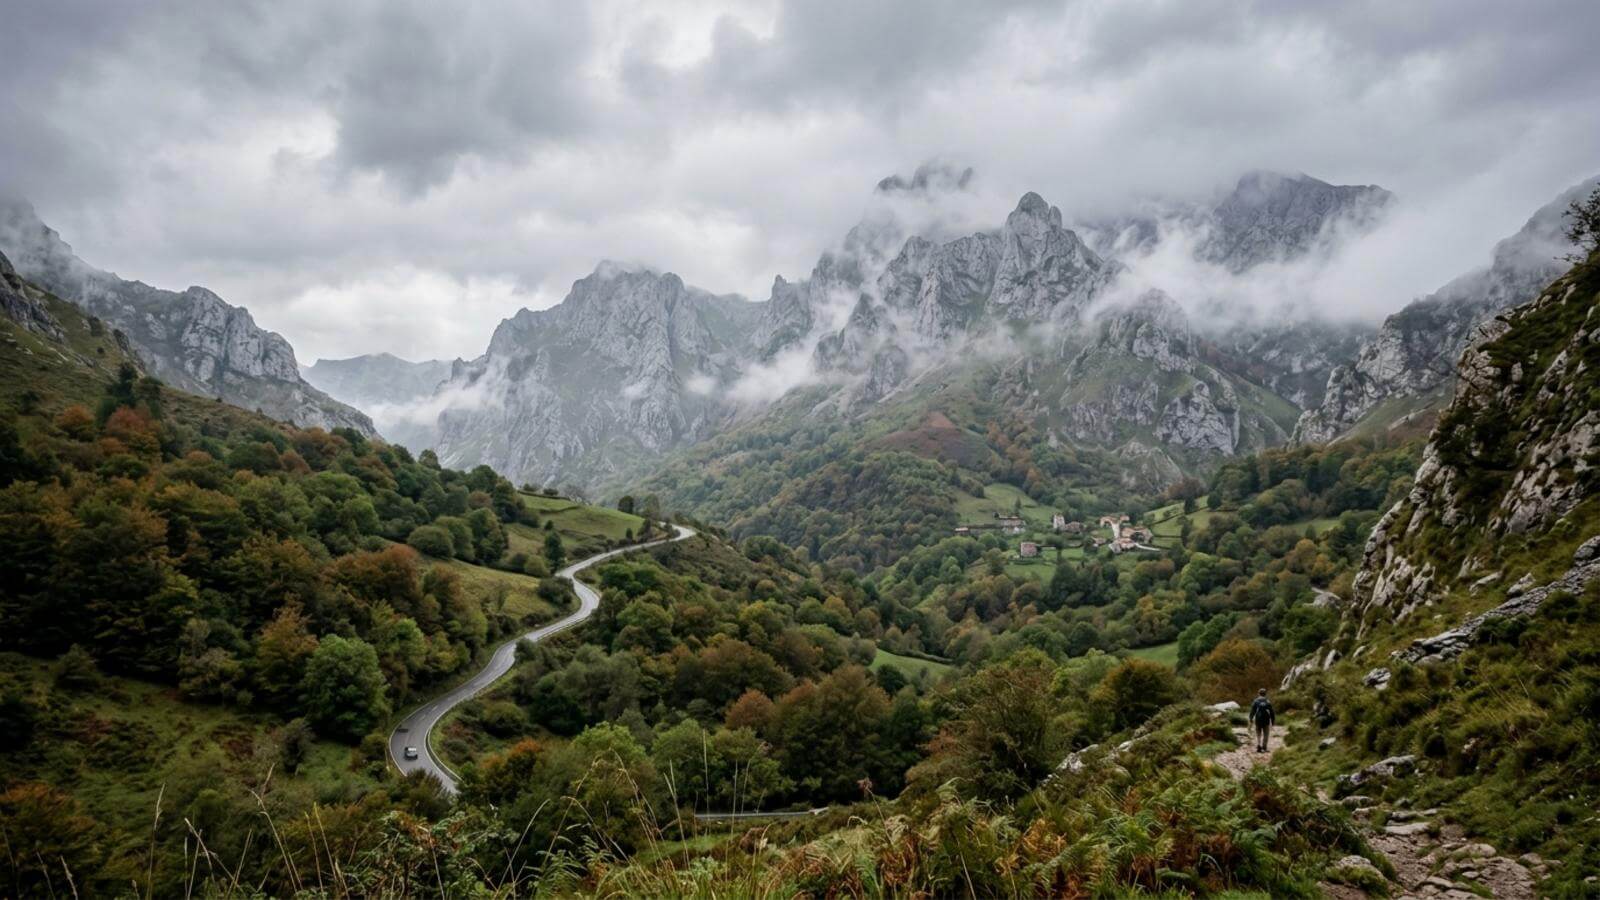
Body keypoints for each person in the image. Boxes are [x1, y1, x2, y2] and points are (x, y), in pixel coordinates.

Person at [1249, 688, 1275, 753]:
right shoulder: (1267, 701)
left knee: (1258, 733)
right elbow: (1272, 712)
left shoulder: (1256, 701)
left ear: (1259, 693)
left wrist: (1251, 718)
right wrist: (1272, 721)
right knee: (1266, 734)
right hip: (1266, 720)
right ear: (1265, 694)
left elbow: (1252, 711)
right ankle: (1264, 747)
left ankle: (1258, 745)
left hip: (1258, 719)